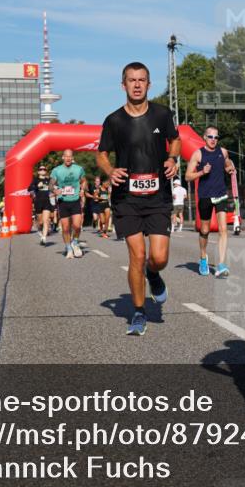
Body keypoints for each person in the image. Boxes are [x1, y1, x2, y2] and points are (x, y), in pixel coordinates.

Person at [97, 62, 179, 336]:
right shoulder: (114, 121)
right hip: (126, 198)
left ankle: (153, 275)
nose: (136, 84)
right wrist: (110, 171)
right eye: (131, 80)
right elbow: (101, 154)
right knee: (138, 254)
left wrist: (172, 158)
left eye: (141, 80)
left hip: (158, 196)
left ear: (148, 84)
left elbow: (175, 140)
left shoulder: (162, 114)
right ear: (123, 85)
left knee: (158, 258)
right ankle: (139, 313)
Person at [185, 126, 236, 276]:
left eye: (216, 137)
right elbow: (188, 176)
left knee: (223, 229)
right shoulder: (198, 154)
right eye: (210, 137)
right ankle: (203, 258)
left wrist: (230, 168)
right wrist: (201, 172)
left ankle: (221, 264)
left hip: (220, 194)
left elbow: (228, 164)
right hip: (205, 196)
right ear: (205, 138)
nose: (213, 140)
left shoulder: (223, 152)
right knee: (205, 230)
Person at [50, 150, 87, 258]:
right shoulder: (57, 170)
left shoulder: (78, 169)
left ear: (72, 158)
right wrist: (55, 191)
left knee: (77, 225)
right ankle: (68, 248)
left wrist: (82, 190)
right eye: (66, 156)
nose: (68, 158)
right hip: (63, 201)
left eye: (70, 156)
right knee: (65, 228)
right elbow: (51, 185)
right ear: (63, 157)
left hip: (75, 200)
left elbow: (84, 181)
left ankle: (75, 243)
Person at [27, 165, 55, 245]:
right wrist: (36, 186)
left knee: (46, 220)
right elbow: (29, 189)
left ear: (46, 171)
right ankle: (40, 230)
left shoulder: (49, 180)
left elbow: (54, 186)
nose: (43, 170)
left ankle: (44, 238)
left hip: (47, 202)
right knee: (41, 222)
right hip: (38, 202)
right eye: (41, 169)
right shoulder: (35, 180)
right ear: (38, 171)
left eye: (44, 169)